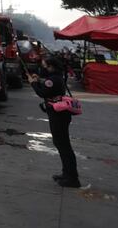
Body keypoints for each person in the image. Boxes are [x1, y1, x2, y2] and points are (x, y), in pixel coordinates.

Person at [29, 56, 81, 188]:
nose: (43, 68)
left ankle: (72, 178)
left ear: (50, 67)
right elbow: (48, 88)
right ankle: (67, 174)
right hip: (61, 115)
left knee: (63, 145)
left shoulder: (53, 80)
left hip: (58, 115)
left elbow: (42, 93)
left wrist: (33, 83)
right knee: (62, 144)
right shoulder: (57, 77)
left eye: (45, 66)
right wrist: (38, 80)